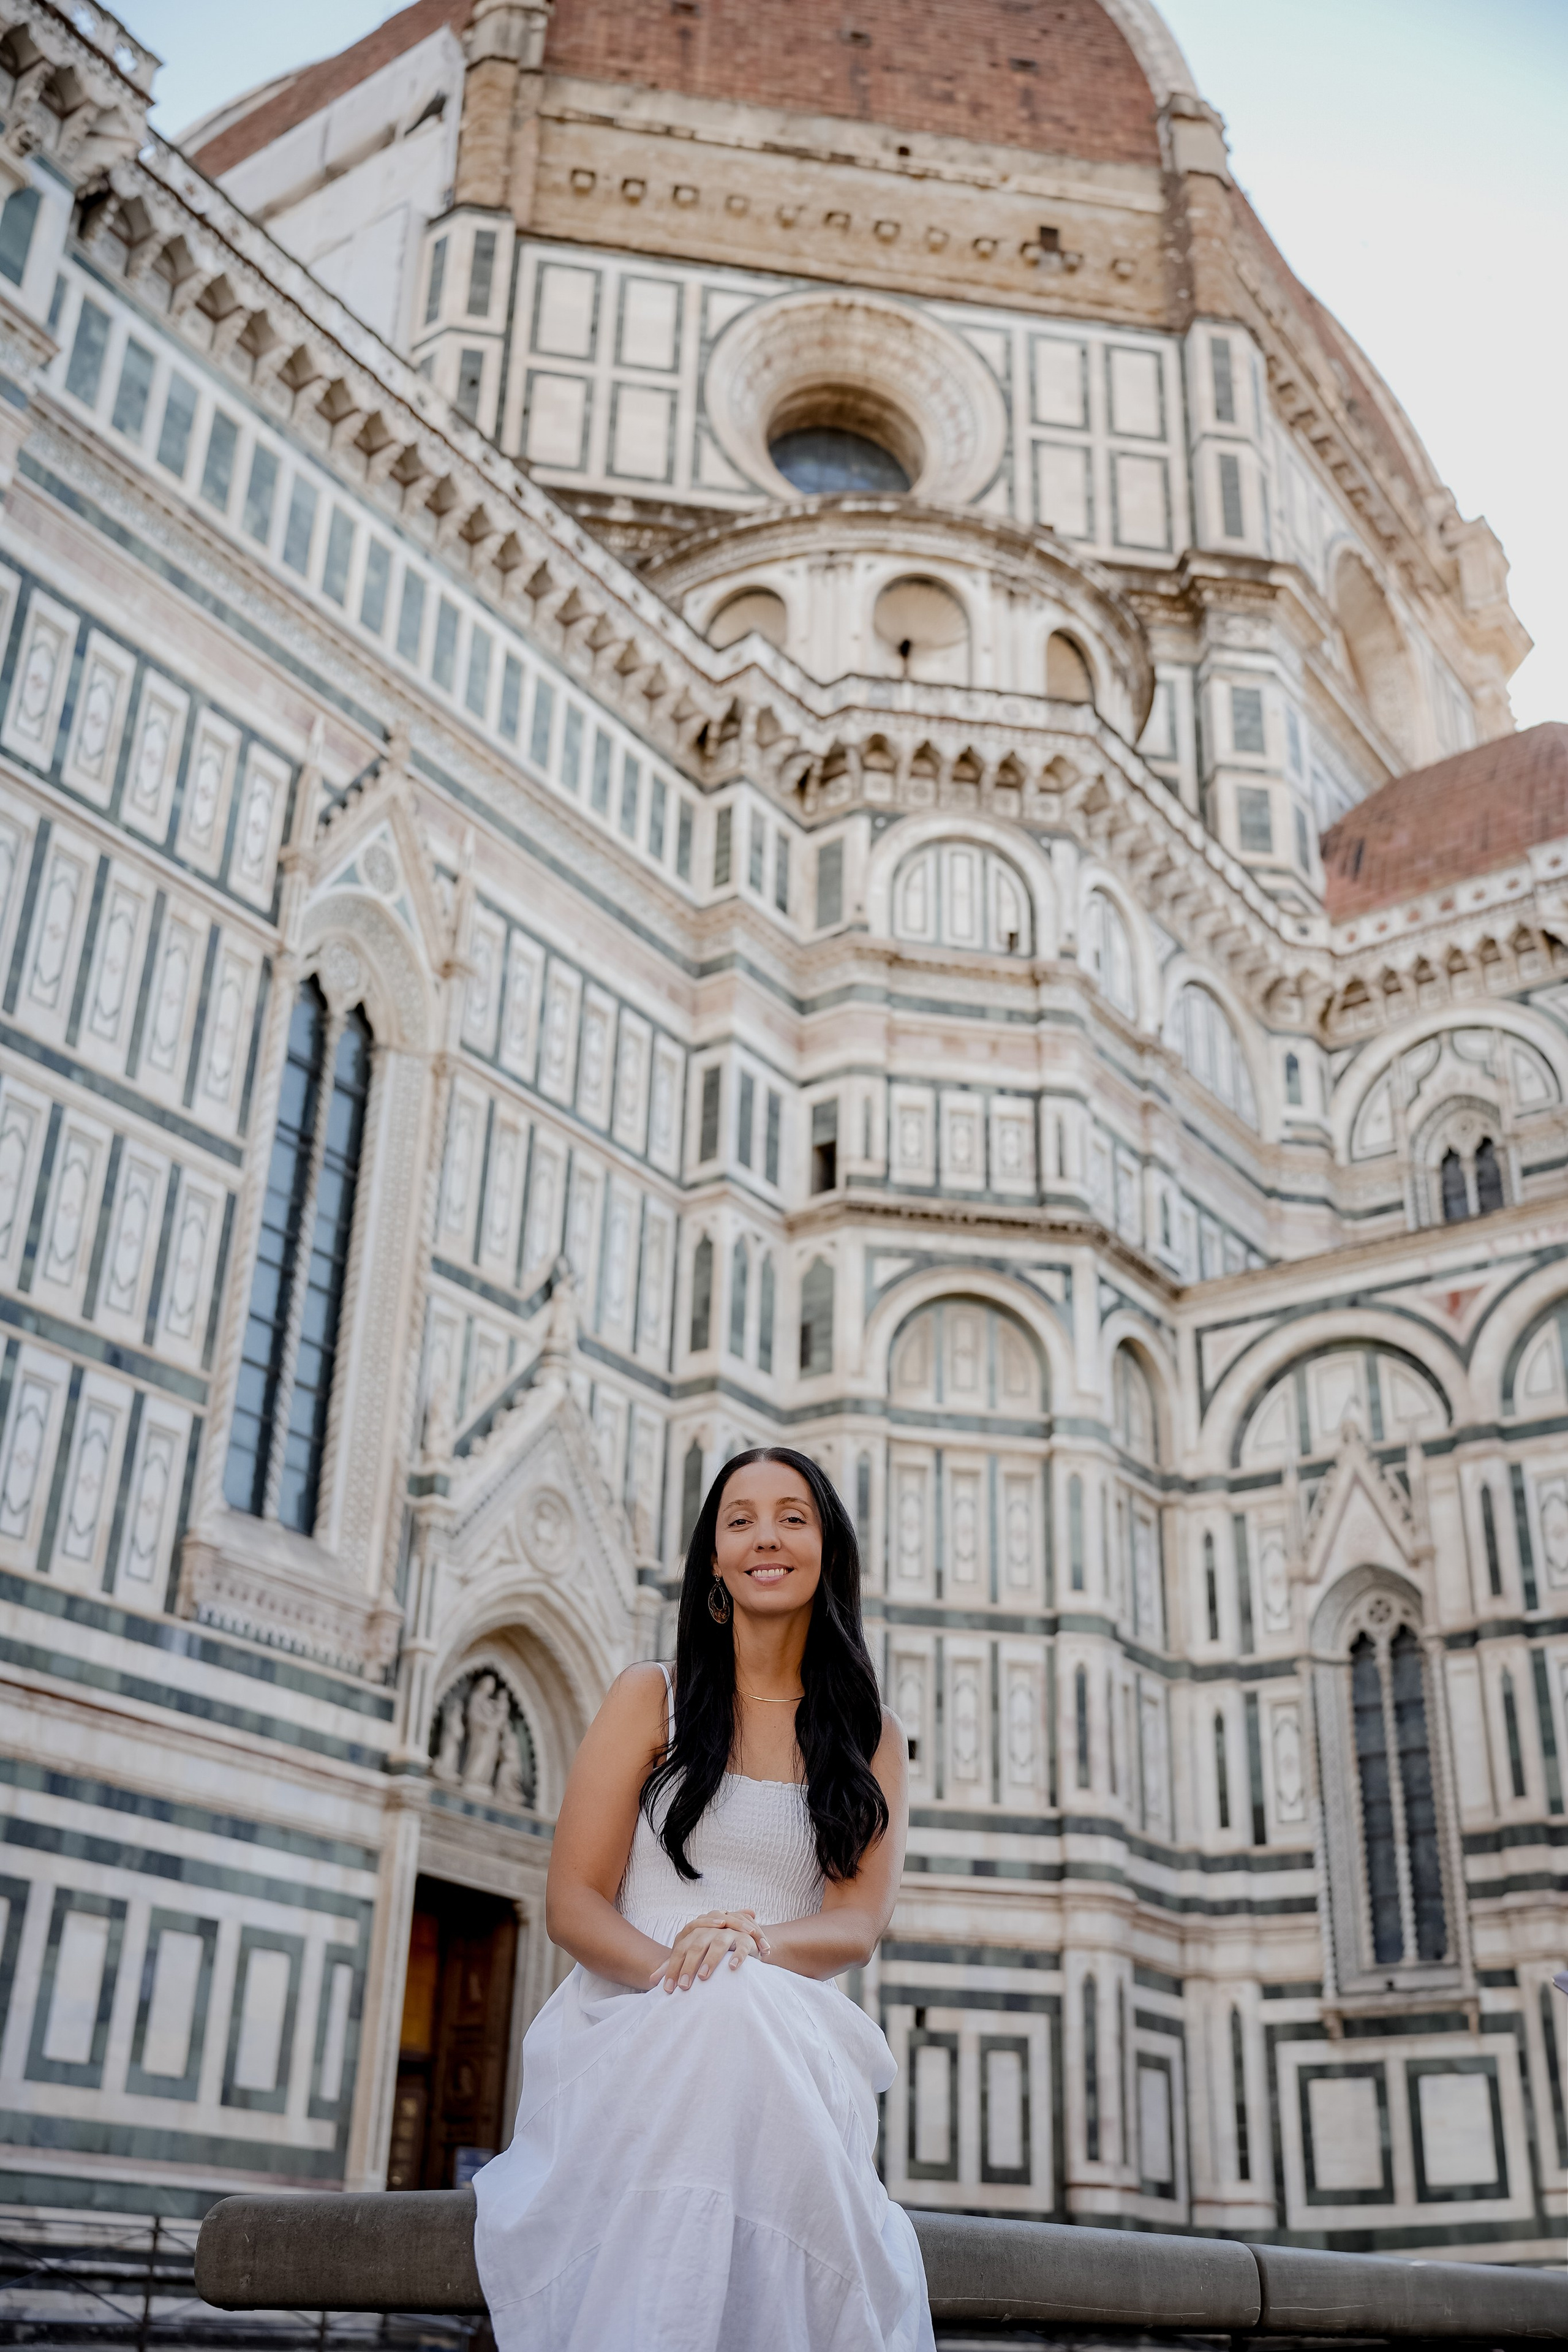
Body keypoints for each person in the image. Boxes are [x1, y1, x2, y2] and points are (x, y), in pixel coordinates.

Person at [473, 1446, 933, 2351]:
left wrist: (745, 1952)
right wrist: (684, 1968)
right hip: (631, 2019)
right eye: (740, 1519)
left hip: (788, 2037)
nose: (767, 1535)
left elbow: (857, 1923)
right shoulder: (654, 1697)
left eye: (793, 1517)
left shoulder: (872, 1735)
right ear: (715, 1563)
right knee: (720, 2008)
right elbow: (573, 1902)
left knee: (739, 2007)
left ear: (827, 1549)